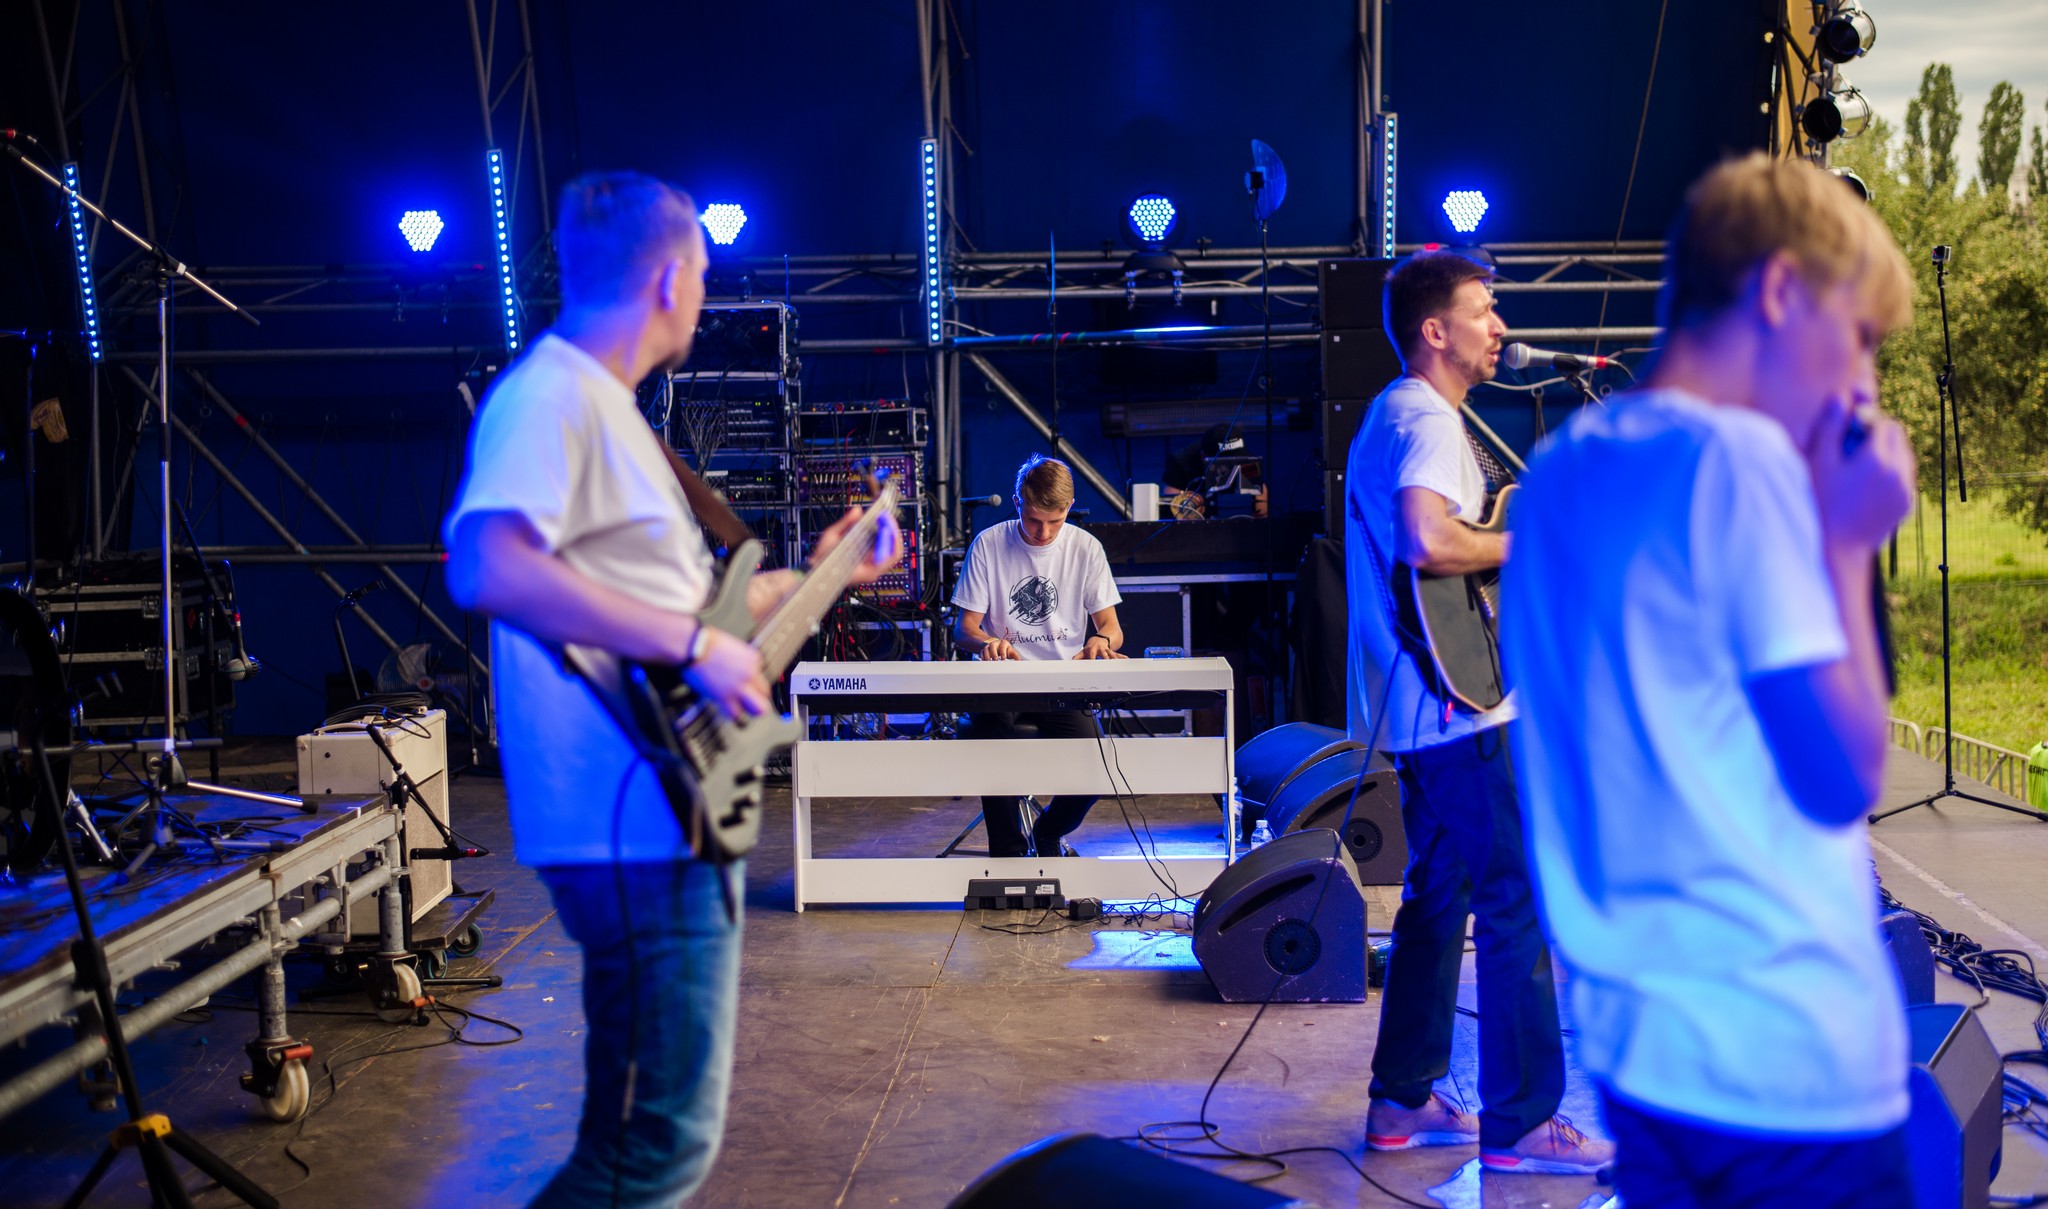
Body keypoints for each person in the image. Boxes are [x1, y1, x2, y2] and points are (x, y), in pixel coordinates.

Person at [444, 172, 896, 1207]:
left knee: (642, 1140)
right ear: (664, 281)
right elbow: (486, 564)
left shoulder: (613, 418)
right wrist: (692, 642)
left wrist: (826, 571)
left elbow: (699, 618)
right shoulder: (552, 396)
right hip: (628, 823)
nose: (702, 294)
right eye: (701, 274)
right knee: (654, 1149)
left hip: (660, 812)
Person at [1501, 153, 1918, 1207]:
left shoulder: (1557, 473)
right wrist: (1848, 540)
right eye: (1858, 334)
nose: (1862, 382)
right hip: (1783, 1057)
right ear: (1779, 290)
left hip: (1642, 1056)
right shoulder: (1737, 461)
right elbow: (1841, 777)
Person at [1345, 251, 1609, 1173]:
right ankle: (1523, 1121)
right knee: (1514, 897)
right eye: (1483, 309)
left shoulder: (1394, 412)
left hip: (1419, 709)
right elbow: (1428, 539)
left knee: (1439, 892)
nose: (1499, 326)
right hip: (1461, 710)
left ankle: (1401, 1099)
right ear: (1435, 330)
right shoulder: (1425, 416)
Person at [951, 454, 1125, 857]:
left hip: (1063, 682)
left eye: (1055, 521)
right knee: (995, 748)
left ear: (1069, 508)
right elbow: (964, 629)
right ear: (1017, 502)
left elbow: (1112, 628)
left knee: (1094, 772)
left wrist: (1101, 641)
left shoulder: (1086, 548)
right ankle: (1008, 856)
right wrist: (987, 642)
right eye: (1033, 520)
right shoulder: (989, 545)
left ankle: (1047, 832)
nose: (1044, 533)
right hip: (1001, 681)